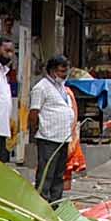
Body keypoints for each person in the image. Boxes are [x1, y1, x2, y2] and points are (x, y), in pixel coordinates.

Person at [28, 55, 76, 203]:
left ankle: (55, 202)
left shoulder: (62, 87)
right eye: (61, 71)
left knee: (59, 173)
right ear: (52, 71)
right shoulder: (41, 88)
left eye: (66, 71)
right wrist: (34, 131)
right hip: (48, 136)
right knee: (46, 173)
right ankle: (42, 202)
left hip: (63, 137)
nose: (64, 75)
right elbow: (34, 112)